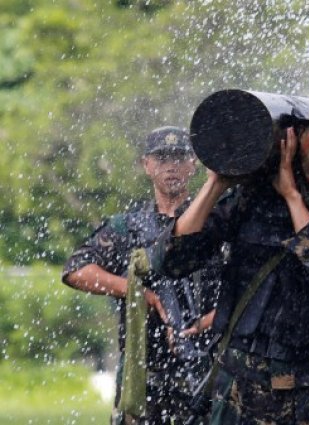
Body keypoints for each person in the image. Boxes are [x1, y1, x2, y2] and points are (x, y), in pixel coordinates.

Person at [151, 95, 309, 424]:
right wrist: (216, 183)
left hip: (305, 397)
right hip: (235, 387)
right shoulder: (253, 196)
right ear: (297, 137)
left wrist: (292, 196)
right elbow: (170, 261)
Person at [62, 126, 221, 424]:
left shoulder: (216, 221)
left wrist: (211, 318)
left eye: (179, 156)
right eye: (161, 158)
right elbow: (76, 270)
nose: (171, 165)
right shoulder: (129, 227)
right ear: (146, 165)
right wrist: (137, 291)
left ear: (193, 163)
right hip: (145, 377)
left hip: (206, 372)